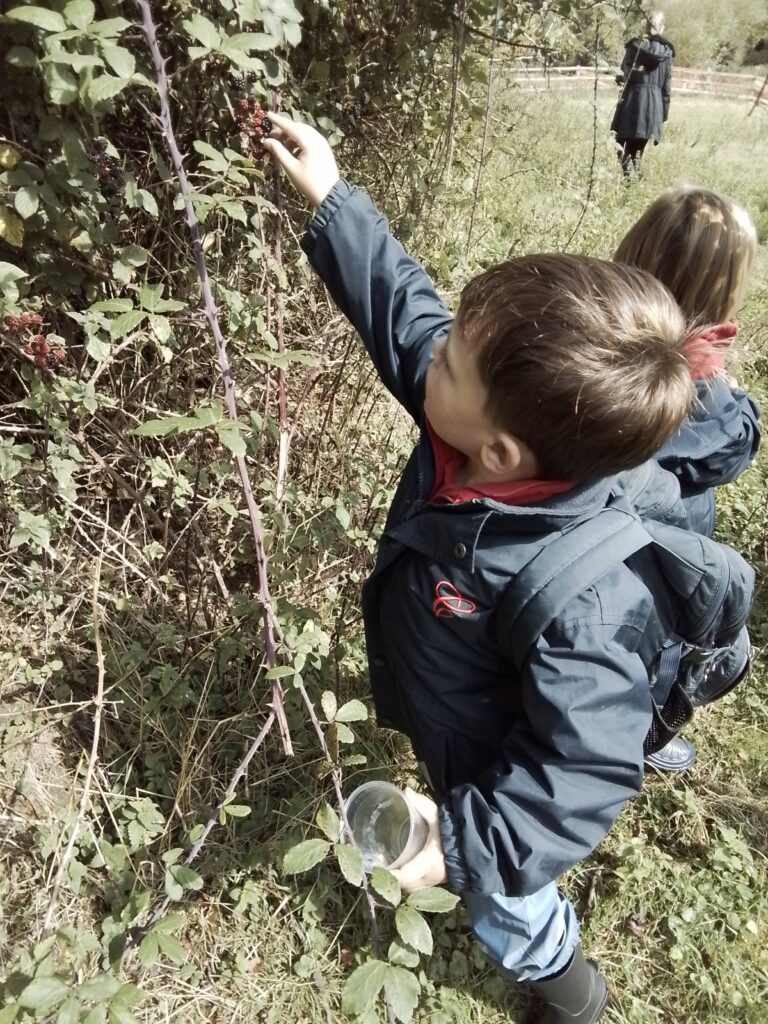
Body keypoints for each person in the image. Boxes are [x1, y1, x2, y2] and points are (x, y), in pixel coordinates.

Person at [262, 113, 698, 1023]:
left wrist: (463, 845)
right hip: (456, 710)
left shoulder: (585, 600)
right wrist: (335, 199)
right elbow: (405, 314)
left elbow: (577, 768)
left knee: (509, 900)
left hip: (488, 773)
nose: (435, 354)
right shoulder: (479, 429)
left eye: (455, 358)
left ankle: (569, 993)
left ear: (499, 451)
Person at [614, 184, 761, 773]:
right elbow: (732, 433)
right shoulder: (713, 405)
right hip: (662, 567)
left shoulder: (584, 356)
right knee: (664, 639)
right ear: (725, 295)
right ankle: (643, 743)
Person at [610, 11, 674, 176]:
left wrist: (620, 79)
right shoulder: (667, 51)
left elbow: (622, 76)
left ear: (644, 25)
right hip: (654, 106)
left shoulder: (634, 46)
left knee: (619, 142)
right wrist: (664, 115)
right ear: (662, 27)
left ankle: (630, 180)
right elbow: (666, 87)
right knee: (637, 149)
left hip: (631, 101)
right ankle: (632, 179)